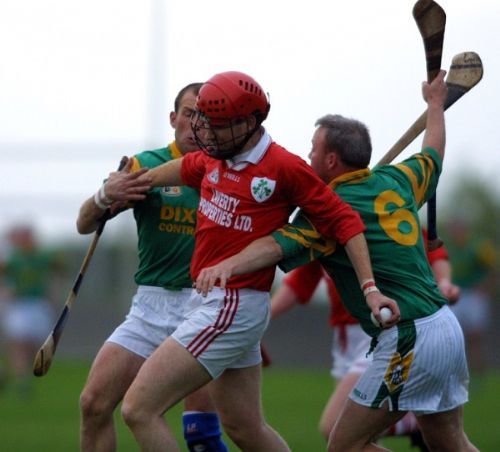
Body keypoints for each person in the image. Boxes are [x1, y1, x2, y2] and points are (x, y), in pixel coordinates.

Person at [103, 70, 398, 451]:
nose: (206, 134)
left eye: (216, 125)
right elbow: (185, 168)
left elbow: (346, 221)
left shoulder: (283, 167)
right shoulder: (215, 156)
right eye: (204, 122)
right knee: (245, 429)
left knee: (139, 409)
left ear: (248, 123)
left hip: (232, 304)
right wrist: (136, 182)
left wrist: (370, 288)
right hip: (217, 304)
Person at [194, 70, 478, 451]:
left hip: (408, 334)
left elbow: (275, 247)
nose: (308, 156)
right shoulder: (398, 180)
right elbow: (432, 153)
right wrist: (435, 106)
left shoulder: (326, 214)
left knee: (343, 445)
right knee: (448, 442)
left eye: (313, 149)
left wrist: (229, 264)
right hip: (445, 327)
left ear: (331, 159)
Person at [76, 82, 228, 452]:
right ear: (174, 119)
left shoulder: (230, 169)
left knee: (201, 431)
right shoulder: (146, 166)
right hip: (151, 305)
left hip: (206, 305)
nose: (197, 124)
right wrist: (104, 196)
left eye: (207, 117)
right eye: (190, 114)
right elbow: (84, 223)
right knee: (93, 404)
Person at [269, 227, 460, 450]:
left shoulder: (380, 211)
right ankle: (411, 422)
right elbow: (300, 283)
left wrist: (444, 282)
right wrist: (262, 319)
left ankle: (410, 423)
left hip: (378, 334)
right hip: (345, 339)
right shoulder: (324, 222)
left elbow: (434, 252)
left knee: (336, 429)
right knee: (362, 437)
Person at [0, 224, 64, 396]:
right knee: (19, 342)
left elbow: (59, 268)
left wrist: (55, 290)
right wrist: (5, 292)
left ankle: (13, 372)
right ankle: (22, 381)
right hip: (20, 306)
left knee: (32, 346)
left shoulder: (43, 257)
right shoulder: (13, 258)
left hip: (39, 305)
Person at [445, 218, 496, 372]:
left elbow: (493, 268)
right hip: (456, 296)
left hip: (474, 295)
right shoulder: (448, 248)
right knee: (454, 334)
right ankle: (459, 369)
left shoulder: (479, 246)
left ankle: (479, 368)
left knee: (475, 334)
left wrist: (485, 288)